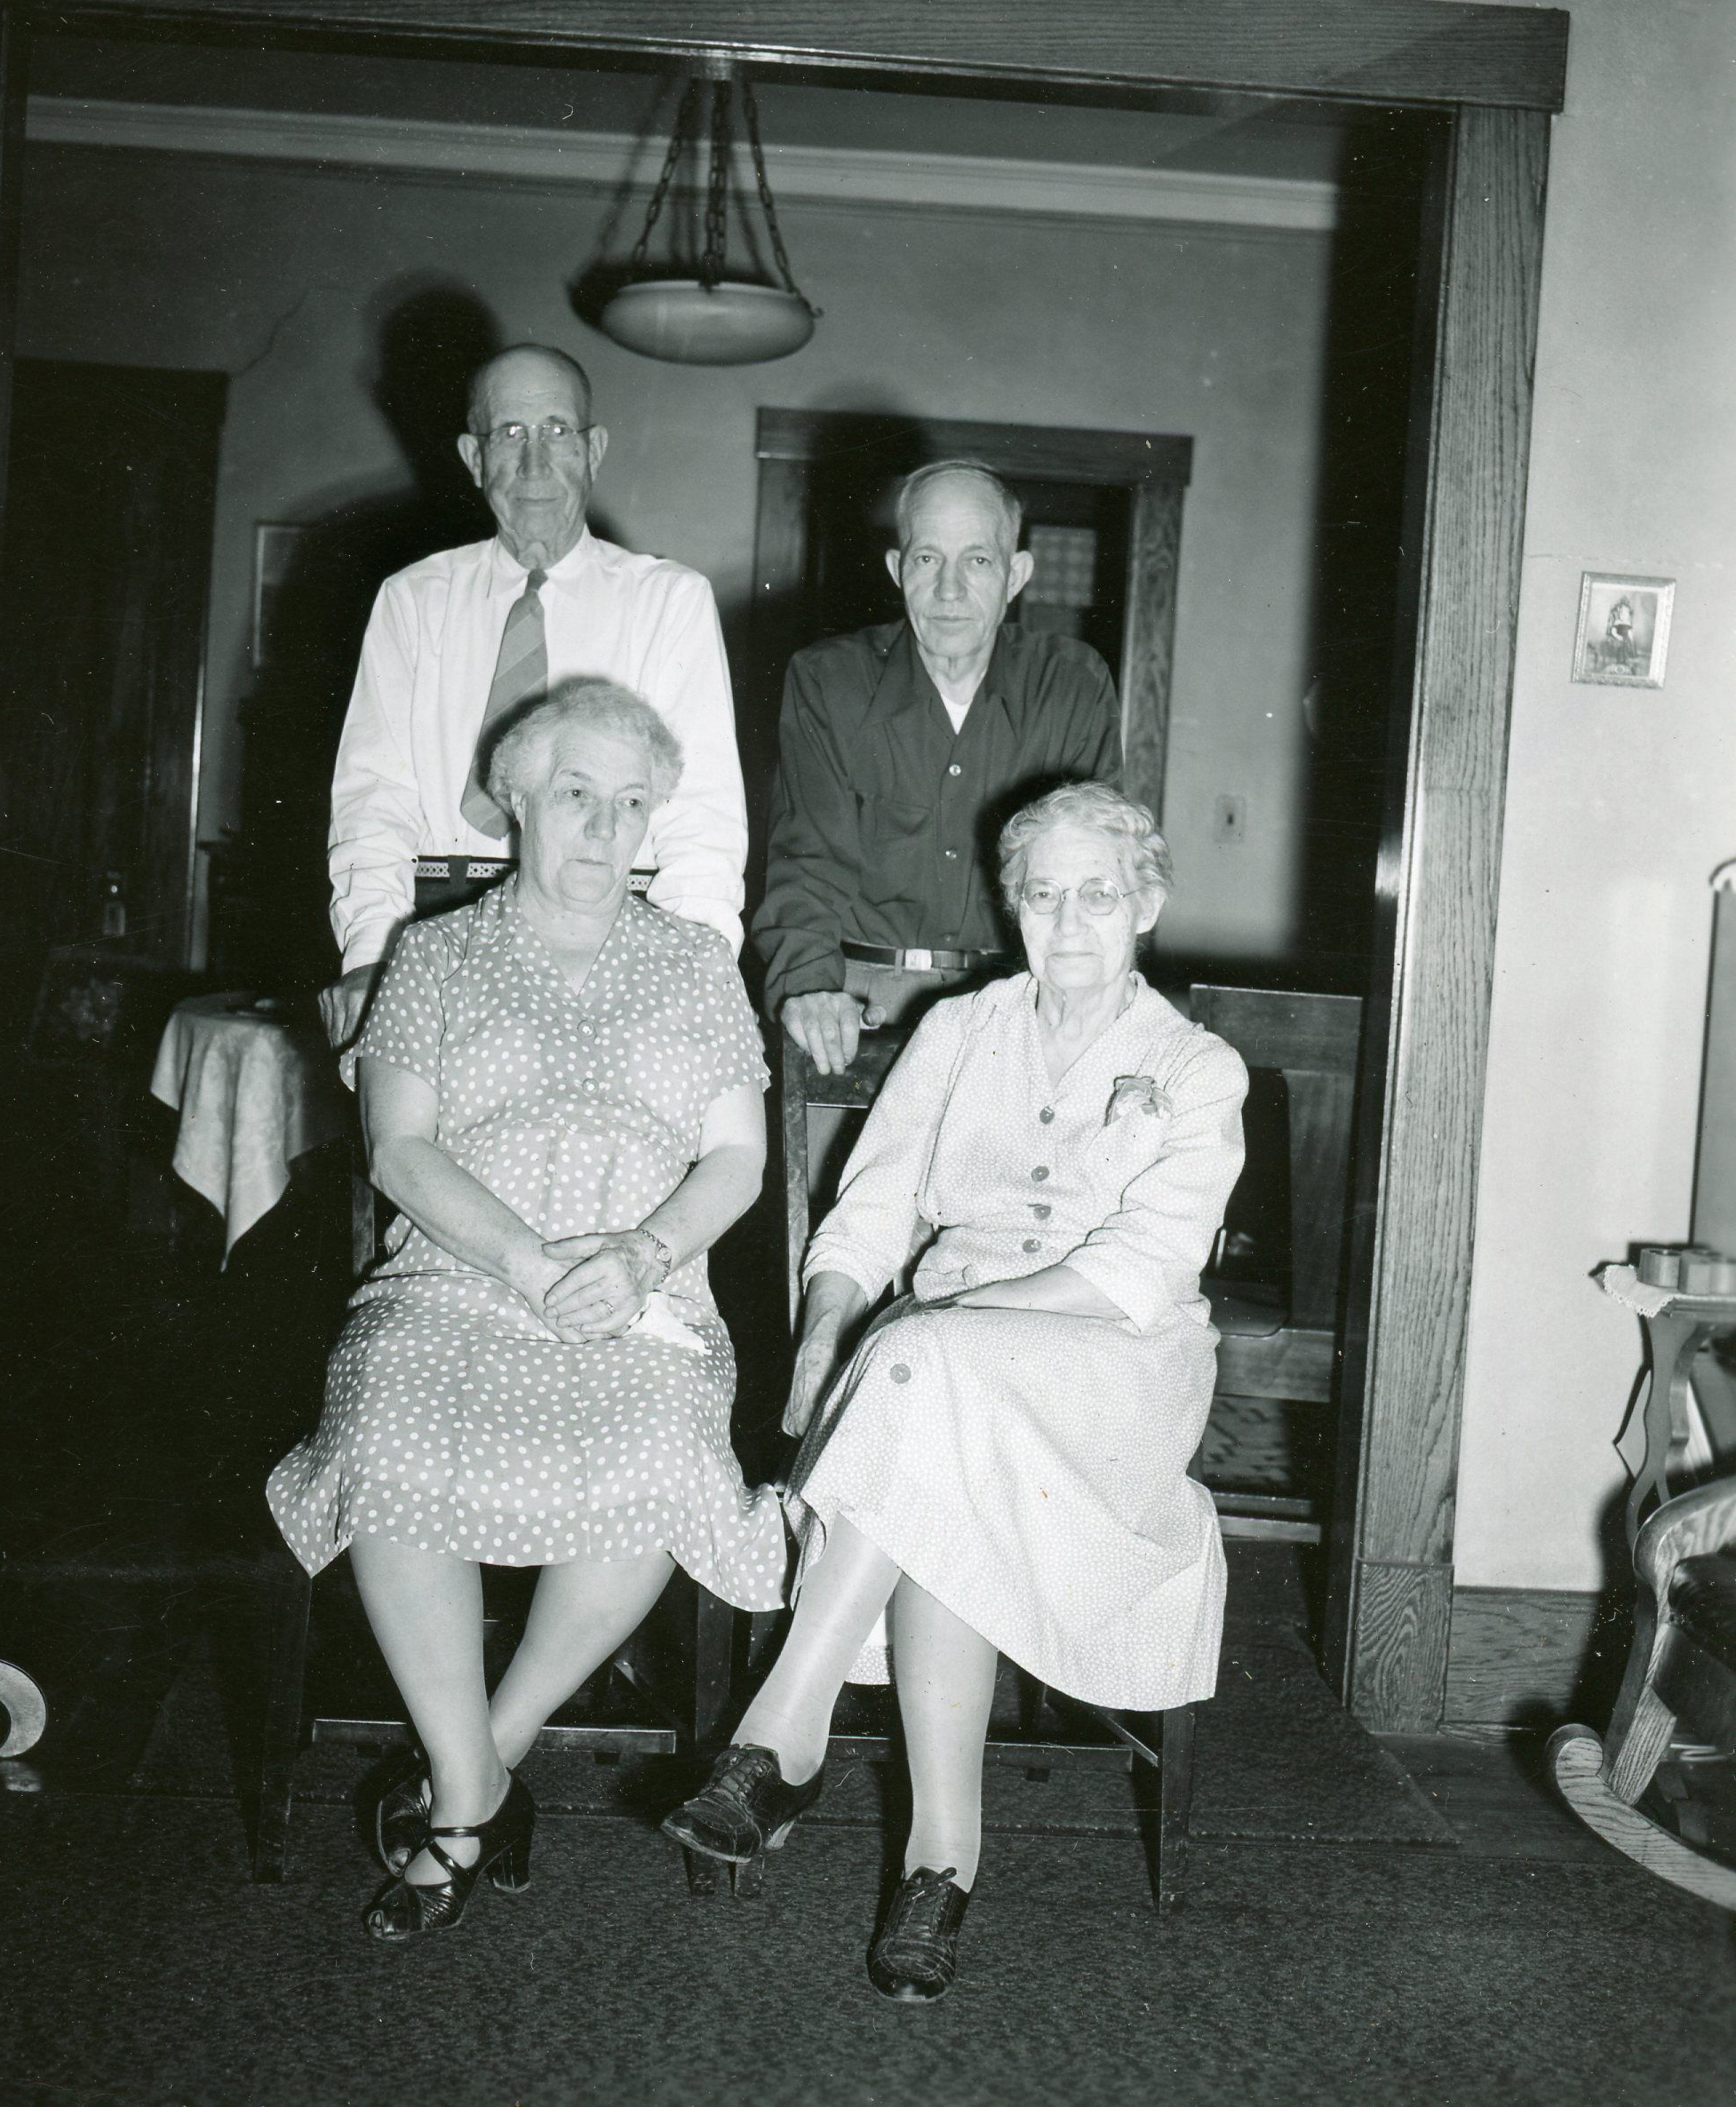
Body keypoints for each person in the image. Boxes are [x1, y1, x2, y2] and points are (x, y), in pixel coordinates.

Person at [665, 781, 1244, 2002]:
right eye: (1043, 894)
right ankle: (938, 1863)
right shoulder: (959, 1029)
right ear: (1010, 905)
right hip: (937, 1371)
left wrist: (941, 1324)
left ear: (1147, 903)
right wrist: (824, 1332)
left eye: (1097, 894)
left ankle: (783, 1732)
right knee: (939, 1434)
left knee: (933, 1374)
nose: (1069, 920)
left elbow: (1141, 1269)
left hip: (1113, 1369)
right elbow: (872, 1203)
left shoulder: (1194, 1067)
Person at [271, 678, 786, 1942]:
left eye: (630, 804)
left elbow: (738, 1159)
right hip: (456, 1276)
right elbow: (397, 1149)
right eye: (576, 794)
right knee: (385, 1418)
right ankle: (469, 1787)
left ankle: (476, 1772)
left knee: (661, 1448)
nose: (605, 829)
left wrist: (643, 1251)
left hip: (638, 1290)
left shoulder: (694, 965)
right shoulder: (434, 955)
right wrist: (519, 1259)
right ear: (515, 799)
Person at [322, 343, 746, 1046]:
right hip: (436, 927)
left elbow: (703, 819)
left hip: (612, 932)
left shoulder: (668, 602)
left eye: (557, 431)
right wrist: (371, 955)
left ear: (594, 450)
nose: (535, 463)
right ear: (473, 457)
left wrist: (691, 973)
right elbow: (374, 799)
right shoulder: (413, 600)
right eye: (511, 433)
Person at [753, 458, 1123, 1077]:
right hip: (858, 1004)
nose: (950, 590)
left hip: (1016, 1011)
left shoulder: (1072, 685)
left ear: (1015, 575)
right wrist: (810, 987)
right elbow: (808, 860)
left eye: (977, 560)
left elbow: (1097, 877)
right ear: (897, 569)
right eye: (927, 559)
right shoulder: (829, 681)